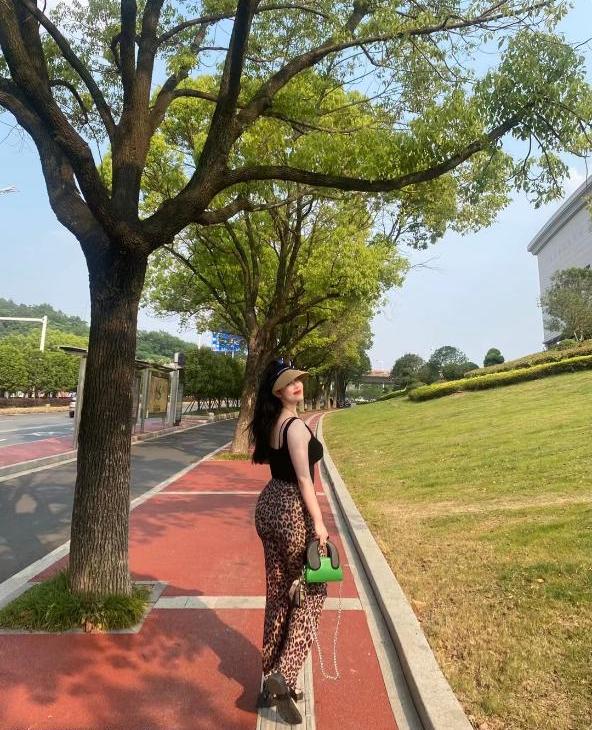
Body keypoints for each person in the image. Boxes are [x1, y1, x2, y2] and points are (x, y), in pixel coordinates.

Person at [248, 358, 329, 725]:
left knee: (280, 592)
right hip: (290, 510)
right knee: (312, 591)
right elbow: (305, 480)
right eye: (288, 382)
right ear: (277, 391)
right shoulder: (295, 427)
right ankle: (285, 672)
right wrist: (319, 523)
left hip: (269, 505)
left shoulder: (272, 423)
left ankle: (271, 679)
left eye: (298, 379)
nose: (297, 385)